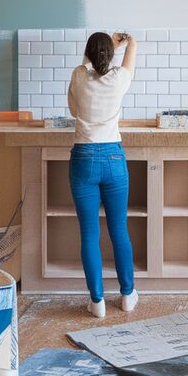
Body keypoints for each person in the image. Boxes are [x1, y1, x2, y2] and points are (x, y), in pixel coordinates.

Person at [67, 32, 138, 318]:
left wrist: (104, 45)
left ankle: (96, 302)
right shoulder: (119, 78)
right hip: (113, 157)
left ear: (87, 54)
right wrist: (127, 43)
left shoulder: (79, 76)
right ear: (111, 56)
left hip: (84, 158)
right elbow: (129, 59)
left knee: (89, 234)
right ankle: (128, 295)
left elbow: (74, 110)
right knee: (119, 230)